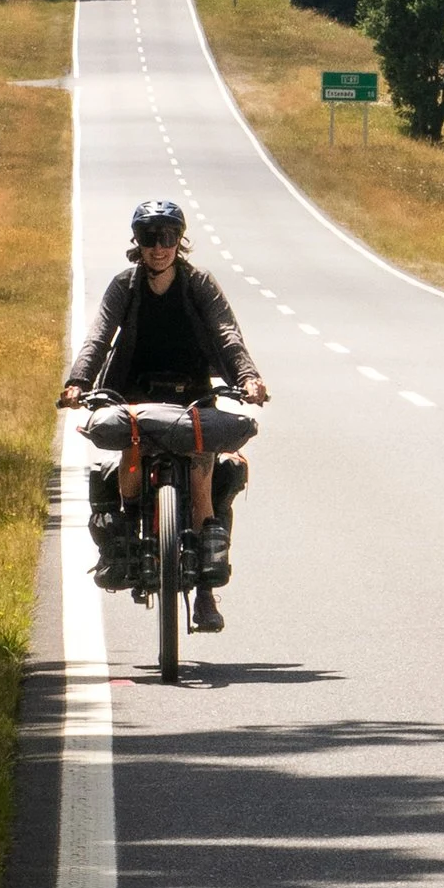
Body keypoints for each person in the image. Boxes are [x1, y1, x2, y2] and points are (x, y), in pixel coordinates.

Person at [59, 198, 269, 630]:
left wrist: (248, 379)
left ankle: (207, 594)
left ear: (180, 241)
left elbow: (227, 334)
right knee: (127, 461)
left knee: (202, 466)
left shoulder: (199, 284)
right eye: (150, 239)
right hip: (133, 392)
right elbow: (98, 337)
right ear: (137, 243)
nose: (160, 247)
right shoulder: (125, 286)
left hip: (192, 393)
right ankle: (130, 526)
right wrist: (79, 383)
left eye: (168, 238)